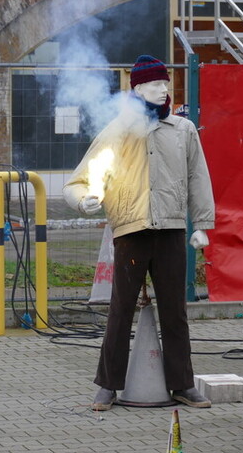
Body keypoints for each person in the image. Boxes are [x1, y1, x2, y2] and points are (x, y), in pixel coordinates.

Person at [63, 55, 215, 411]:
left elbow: (198, 177)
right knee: (121, 309)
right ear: (137, 89)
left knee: (175, 312)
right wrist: (84, 199)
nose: (163, 90)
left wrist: (203, 225)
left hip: (171, 230)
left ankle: (182, 384)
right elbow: (79, 179)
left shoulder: (183, 130)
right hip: (131, 231)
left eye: (165, 84)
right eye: (153, 85)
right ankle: (108, 386)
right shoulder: (118, 130)